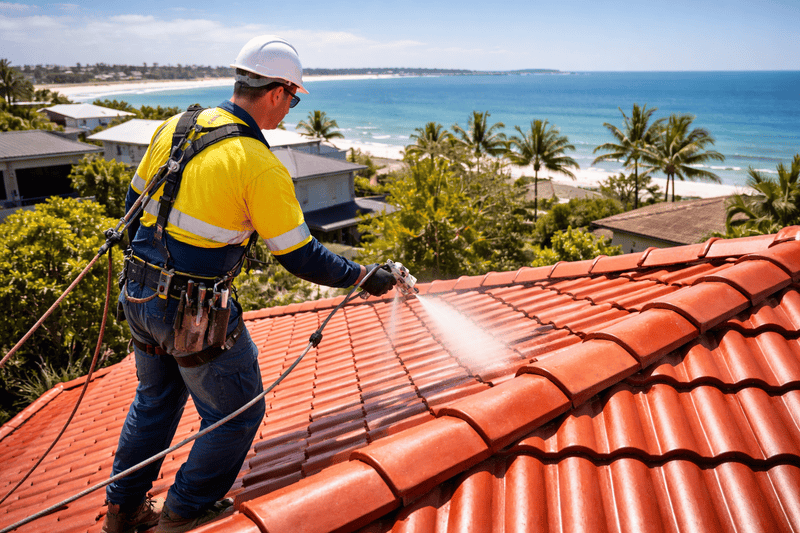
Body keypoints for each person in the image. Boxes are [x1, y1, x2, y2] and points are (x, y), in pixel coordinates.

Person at [102, 35, 396, 533]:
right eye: (294, 98)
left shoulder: (176, 126)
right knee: (237, 412)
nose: (291, 109)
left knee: (155, 401)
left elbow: (132, 214)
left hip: (137, 294)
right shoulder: (257, 163)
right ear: (278, 91)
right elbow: (300, 256)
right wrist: (361, 276)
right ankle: (183, 513)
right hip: (190, 311)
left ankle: (122, 511)